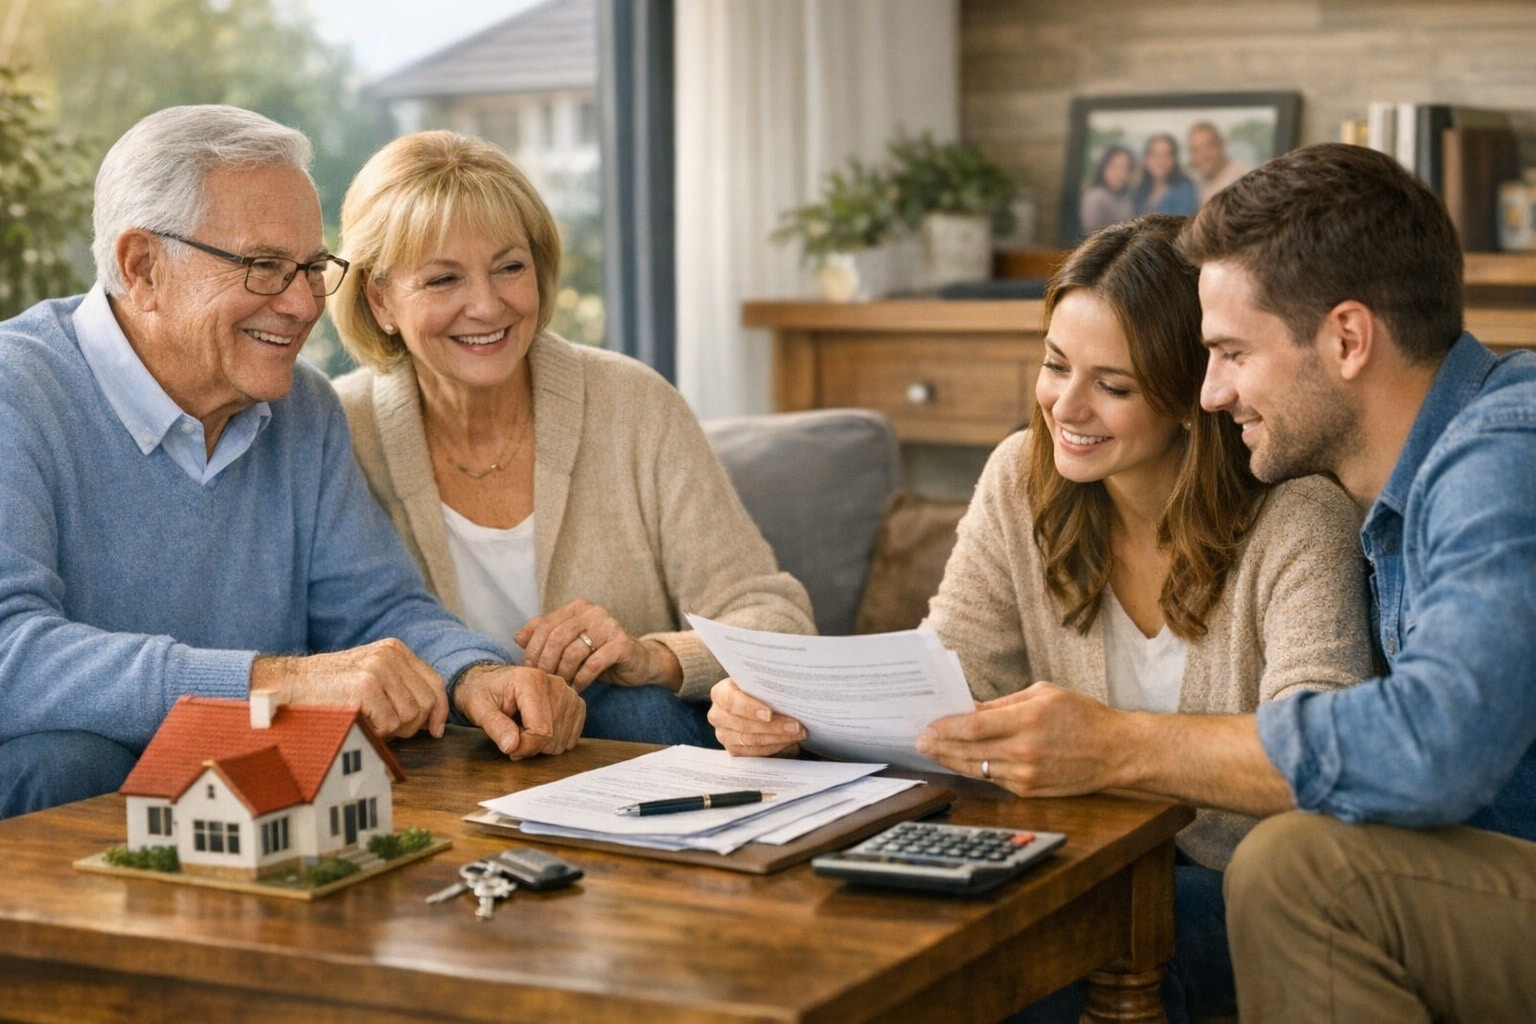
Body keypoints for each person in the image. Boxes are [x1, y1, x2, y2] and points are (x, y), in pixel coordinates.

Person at [710, 214, 1372, 1022]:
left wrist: (1108, 749)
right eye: (1056, 366)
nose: (1067, 405)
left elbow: (1323, 755)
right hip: (1061, 859)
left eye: (1115, 386)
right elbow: (947, 682)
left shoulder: (1300, 516)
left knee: (1009, 971)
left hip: (1232, 891)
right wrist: (790, 714)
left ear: (1192, 395)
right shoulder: (1018, 481)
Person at [0, 106, 585, 820]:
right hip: (71, 802)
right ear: (142, 267)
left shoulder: (301, 406)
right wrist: (273, 684)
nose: (304, 303)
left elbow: (375, 609)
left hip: (246, 802)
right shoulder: (17, 392)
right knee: (67, 759)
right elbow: (10, 655)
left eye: (311, 267)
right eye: (264, 268)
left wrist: (475, 673)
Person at [1179, 141, 1536, 1022]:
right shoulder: (1391, 493)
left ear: (1346, 337)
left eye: (1230, 352)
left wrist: (1116, 744)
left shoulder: (1501, 455)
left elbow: (1433, 749)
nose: (1211, 393)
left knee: (1299, 871)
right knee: (1158, 916)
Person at [329, 130, 813, 749]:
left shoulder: (633, 403)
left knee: (631, 711)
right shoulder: (341, 432)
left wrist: (653, 656)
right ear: (379, 300)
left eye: (509, 267)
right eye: (443, 280)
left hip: (637, 758)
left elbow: (779, 621)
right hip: (449, 768)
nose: (487, 305)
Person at [1186, 122, 1254, 204]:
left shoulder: (1245, 178)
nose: (1203, 155)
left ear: (1222, 145)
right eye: (1195, 150)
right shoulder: (1192, 180)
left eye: (1209, 146)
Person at [1133, 133, 1199, 217]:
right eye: (1155, 155)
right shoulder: (1141, 191)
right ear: (1146, 159)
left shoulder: (1184, 190)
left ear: (1174, 160)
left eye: (1167, 154)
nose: (1161, 161)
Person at [1077, 144, 1135, 235]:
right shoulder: (1094, 197)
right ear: (1103, 167)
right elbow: (1092, 234)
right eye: (1115, 166)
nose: (1120, 173)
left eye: (1125, 168)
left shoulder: (1126, 198)